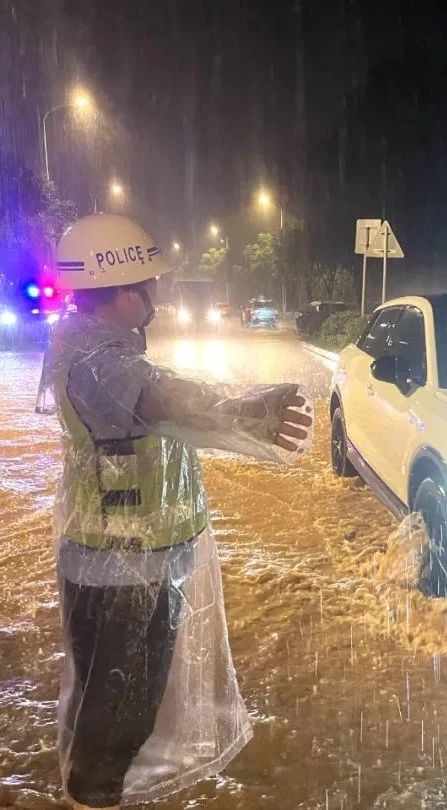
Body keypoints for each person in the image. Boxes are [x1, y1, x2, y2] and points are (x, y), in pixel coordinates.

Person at [36, 213, 312, 809]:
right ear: (125, 292)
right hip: (119, 569)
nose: (156, 296)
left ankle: (96, 789)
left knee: (119, 704)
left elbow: (158, 395)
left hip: (133, 560)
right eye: (149, 286)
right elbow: (163, 397)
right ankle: (94, 797)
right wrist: (247, 410)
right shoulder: (97, 363)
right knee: (117, 714)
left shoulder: (98, 348)